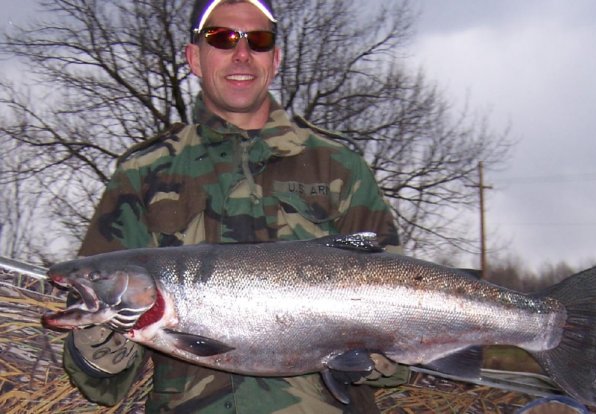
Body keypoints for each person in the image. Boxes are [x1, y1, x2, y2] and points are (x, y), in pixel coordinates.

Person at [62, 0, 406, 412]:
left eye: (257, 41)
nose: (241, 54)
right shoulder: (141, 175)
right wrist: (98, 353)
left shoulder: (341, 168)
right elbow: (102, 382)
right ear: (194, 57)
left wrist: (390, 356)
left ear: (275, 59)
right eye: (222, 38)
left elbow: (409, 306)